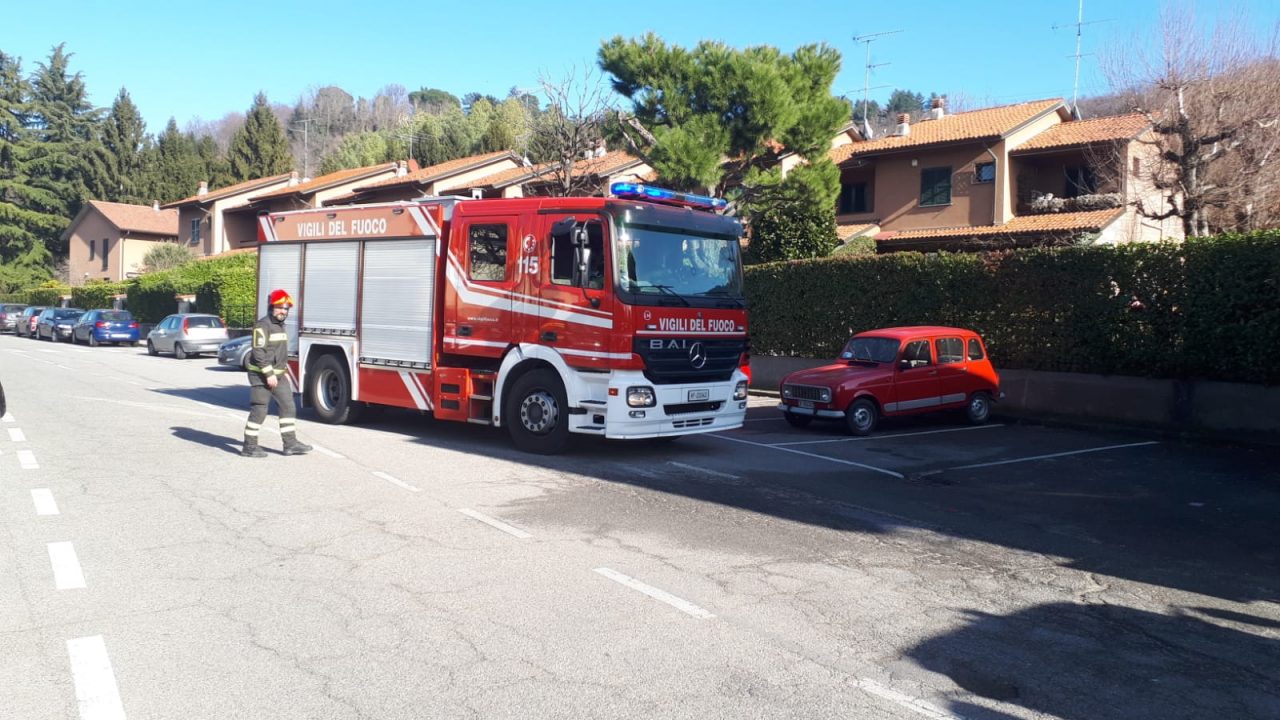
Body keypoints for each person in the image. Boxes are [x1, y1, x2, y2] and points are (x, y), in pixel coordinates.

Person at [241, 289, 312, 458]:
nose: (283, 311)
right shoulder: (262, 325)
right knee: (260, 409)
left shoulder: (280, 326)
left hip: (278, 375)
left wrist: (283, 371)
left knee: (288, 406)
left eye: (286, 308)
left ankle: (290, 444)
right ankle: (249, 446)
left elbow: (277, 352)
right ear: (271, 307)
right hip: (261, 375)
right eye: (280, 307)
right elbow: (258, 353)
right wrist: (269, 374)